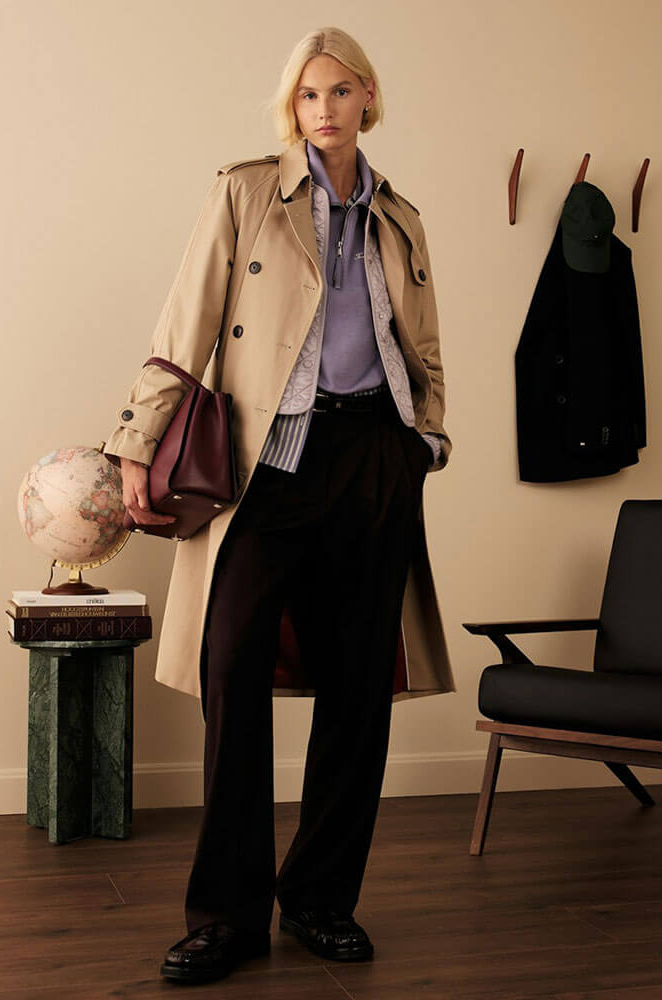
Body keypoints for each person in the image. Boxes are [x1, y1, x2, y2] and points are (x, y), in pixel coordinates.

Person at [103, 26, 452, 987]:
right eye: (307, 94)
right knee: (233, 675)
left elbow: (423, 345)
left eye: (339, 92)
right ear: (291, 108)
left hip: (373, 457)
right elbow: (187, 323)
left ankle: (321, 900)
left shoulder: (401, 217)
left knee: (357, 691)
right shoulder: (247, 192)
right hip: (268, 463)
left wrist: (424, 441)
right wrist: (136, 439)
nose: (323, 109)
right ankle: (226, 917)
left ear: (368, 99)